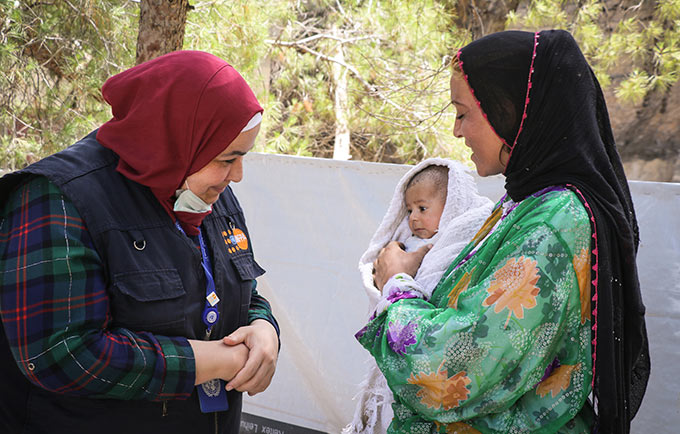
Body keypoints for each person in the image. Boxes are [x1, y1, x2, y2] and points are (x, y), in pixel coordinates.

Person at [357, 30, 650, 433]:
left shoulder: (554, 222)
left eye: (462, 113)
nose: (457, 131)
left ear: (509, 111)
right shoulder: (528, 200)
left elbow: (453, 372)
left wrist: (397, 286)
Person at [0, 51, 280, 434]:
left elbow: (238, 289)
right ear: (181, 138)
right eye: (227, 158)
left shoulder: (205, 191)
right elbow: (62, 354)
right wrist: (215, 361)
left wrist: (263, 328)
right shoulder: (59, 199)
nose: (238, 175)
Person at [345, 158, 492, 434]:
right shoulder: (406, 242)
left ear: (451, 206)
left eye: (423, 208)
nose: (412, 217)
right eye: (410, 209)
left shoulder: (458, 242)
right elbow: (379, 272)